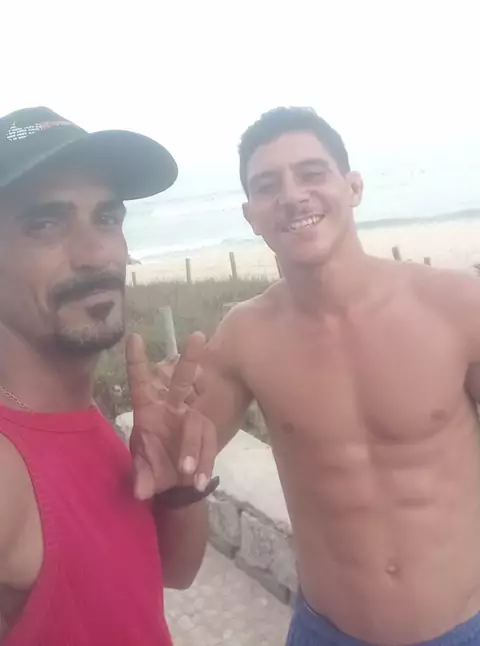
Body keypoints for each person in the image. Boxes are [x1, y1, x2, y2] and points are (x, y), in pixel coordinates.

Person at [193, 106, 480, 646]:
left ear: (353, 187)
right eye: (268, 185)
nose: (292, 195)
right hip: (328, 631)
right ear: (251, 214)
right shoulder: (246, 336)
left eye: (311, 173)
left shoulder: (457, 306)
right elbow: (180, 459)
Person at [0, 106, 216, 645]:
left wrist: (180, 489)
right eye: (45, 224)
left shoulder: (76, 413)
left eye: (106, 218)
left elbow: (174, 572)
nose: (96, 255)